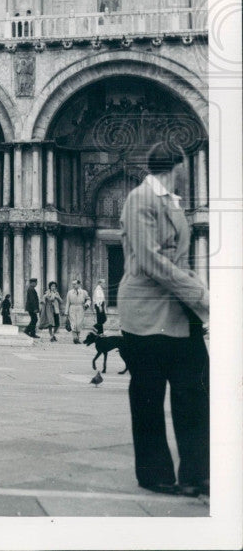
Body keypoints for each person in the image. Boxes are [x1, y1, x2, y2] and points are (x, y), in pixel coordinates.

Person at [119, 141, 209, 497]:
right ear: (177, 165)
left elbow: (177, 261)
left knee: (196, 390)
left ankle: (198, 472)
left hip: (177, 312)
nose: (187, 174)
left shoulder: (171, 202)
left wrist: (193, 294)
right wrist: (201, 295)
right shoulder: (140, 200)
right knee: (148, 396)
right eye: (186, 167)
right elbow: (151, 262)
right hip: (146, 313)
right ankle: (155, 473)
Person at [65, 278, 91, 343]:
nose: (73, 285)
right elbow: (67, 302)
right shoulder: (70, 292)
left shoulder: (84, 292)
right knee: (73, 323)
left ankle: (78, 337)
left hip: (80, 308)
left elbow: (88, 299)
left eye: (75, 284)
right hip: (72, 308)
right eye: (72, 284)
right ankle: (75, 338)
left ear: (79, 284)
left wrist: (87, 304)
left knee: (79, 324)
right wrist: (66, 312)